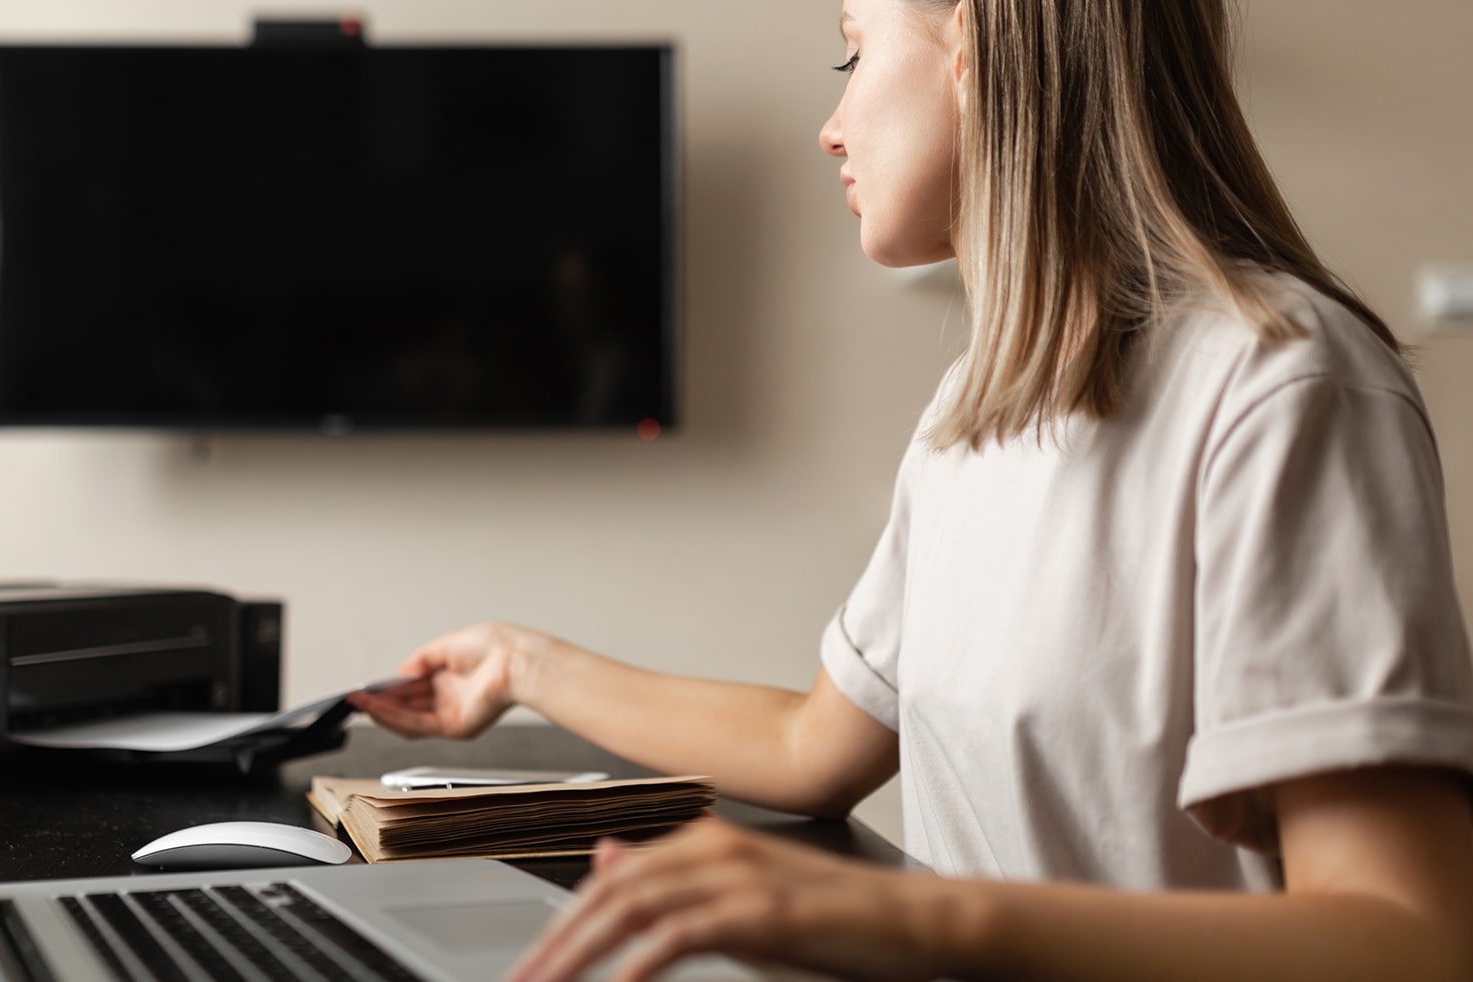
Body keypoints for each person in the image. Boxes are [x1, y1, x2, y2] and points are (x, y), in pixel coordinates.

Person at [349, 0, 1473, 978]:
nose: (829, 126)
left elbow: (1404, 941)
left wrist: (916, 914)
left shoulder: (1284, 386)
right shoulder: (967, 418)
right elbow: (810, 745)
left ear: (973, 51)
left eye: (851, 55)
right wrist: (525, 663)